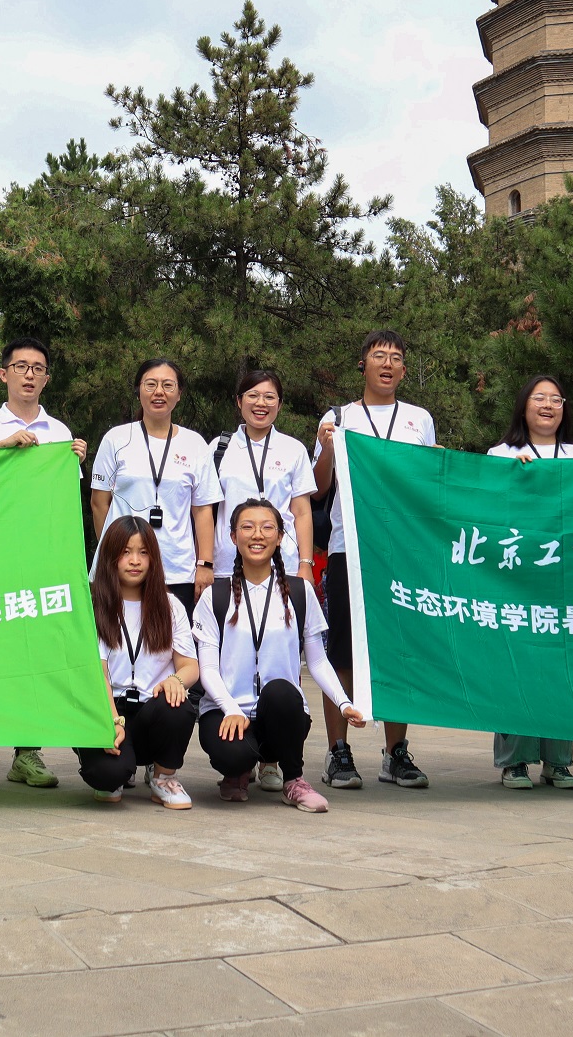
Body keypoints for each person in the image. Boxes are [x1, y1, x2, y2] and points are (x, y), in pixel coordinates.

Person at [0, 337, 90, 791]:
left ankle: (27, 752)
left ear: (47, 378)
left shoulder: (60, 432)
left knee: (34, 654)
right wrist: (2, 448)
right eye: (20, 366)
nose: (29, 375)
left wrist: (73, 461)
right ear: (3, 374)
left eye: (38, 368)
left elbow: (64, 502)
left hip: (39, 558)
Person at [311, 330, 438, 791]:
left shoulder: (419, 419)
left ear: (403, 370)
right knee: (341, 652)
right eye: (378, 355)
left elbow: (427, 483)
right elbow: (318, 488)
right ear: (362, 364)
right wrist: (327, 447)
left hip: (402, 550)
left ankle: (395, 753)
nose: (387, 363)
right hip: (350, 549)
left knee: (399, 652)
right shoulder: (339, 417)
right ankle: (338, 752)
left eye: (396, 357)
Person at [194, 500, 367, 812]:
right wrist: (231, 709)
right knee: (233, 754)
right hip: (227, 713)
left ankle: (294, 780)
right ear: (233, 536)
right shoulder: (215, 595)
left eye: (267, 527)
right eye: (247, 527)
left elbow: (317, 661)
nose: (257, 535)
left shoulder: (299, 592)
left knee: (282, 692)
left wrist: (344, 703)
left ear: (280, 537)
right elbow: (207, 669)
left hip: (281, 716)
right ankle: (237, 772)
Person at [485, 374, 573, 792]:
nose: (548, 405)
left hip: (565, 580)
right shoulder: (501, 454)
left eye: (556, 399)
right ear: (524, 405)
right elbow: (485, 508)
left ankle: (559, 762)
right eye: (539, 398)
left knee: (561, 667)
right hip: (516, 578)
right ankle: (514, 761)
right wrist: (509, 477)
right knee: (517, 665)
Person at [210, 368, 316, 793]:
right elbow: (206, 507)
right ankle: (237, 751)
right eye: (252, 395)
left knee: (279, 656)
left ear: (280, 404)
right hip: (229, 566)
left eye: (270, 396)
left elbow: (302, 510)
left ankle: (273, 757)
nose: (261, 403)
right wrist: (205, 563)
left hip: (282, 567)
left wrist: (304, 563)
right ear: (239, 402)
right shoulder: (219, 448)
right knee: (232, 655)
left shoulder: (293, 449)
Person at [81, 516, 201, 808]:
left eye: (143, 552)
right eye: (125, 552)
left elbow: (190, 666)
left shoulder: (170, 606)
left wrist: (175, 681)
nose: (135, 561)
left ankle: (163, 777)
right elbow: (98, 674)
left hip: (151, 709)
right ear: (110, 556)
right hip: (107, 708)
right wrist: (113, 721)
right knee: (108, 777)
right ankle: (119, 771)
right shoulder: (93, 605)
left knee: (177, 704)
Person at [90, 358, 219, 617]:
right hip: (120, 566)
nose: (159, 392)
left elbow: (203, 510)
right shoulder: (116, 438)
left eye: (168, 385)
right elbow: (99, 502)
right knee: (116, 637)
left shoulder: (195, 444)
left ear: (179, 394)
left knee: (173, 638)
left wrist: (204, 563)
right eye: (150, 384)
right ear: (138, 390)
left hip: (176, 569)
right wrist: (114, 551)